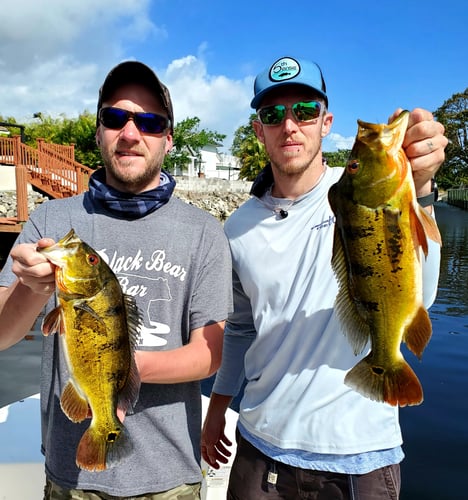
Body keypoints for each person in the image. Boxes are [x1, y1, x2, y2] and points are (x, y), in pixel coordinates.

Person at [201, 55, 448, 499]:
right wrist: (218, 407)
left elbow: (421, 296)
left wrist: (422, 189)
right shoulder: (237, 228)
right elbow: (240, 328)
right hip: (261, 450)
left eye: (306, 111)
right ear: (259, 130)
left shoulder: (354, 190)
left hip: (360, 456)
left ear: (326, 122)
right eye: (273, 115)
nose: (289, 125)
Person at [0, 61, 232, 499]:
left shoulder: (204, 232)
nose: (130, 133)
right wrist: (31, 290)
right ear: (98, 130)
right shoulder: (51, 219)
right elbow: (2, 334)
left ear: (168, 139)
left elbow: (210, 354)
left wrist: (124, 372)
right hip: (70, 480)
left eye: (148, 122)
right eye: (115, 118)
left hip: (171, 481)